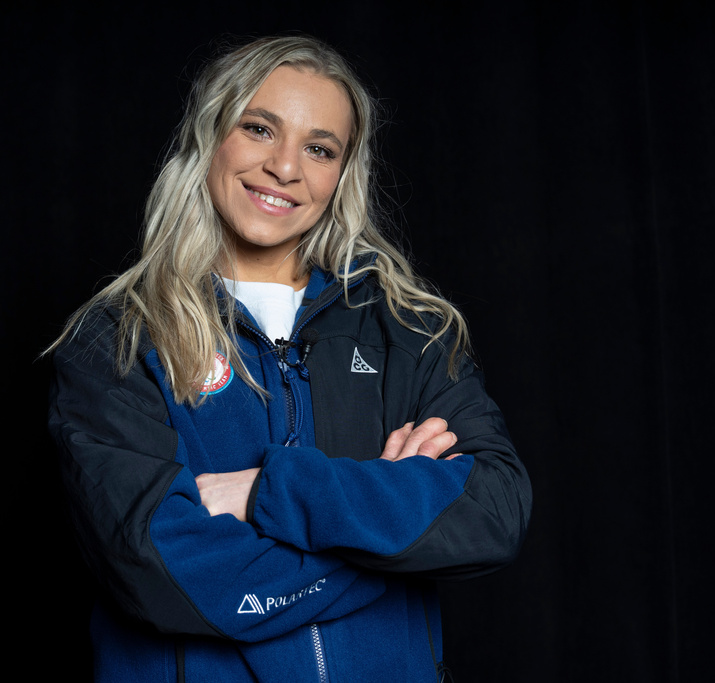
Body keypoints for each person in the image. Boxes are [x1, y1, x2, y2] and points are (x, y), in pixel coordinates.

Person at [47, 35, 531, 682]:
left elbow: (491, 513)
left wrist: (265, 490)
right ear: (211, 137)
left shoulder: (410, 331)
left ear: (341, 175)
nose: (284, 166)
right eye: (258, 129)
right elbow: (156, 569)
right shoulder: (118, 336)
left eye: (319, 148)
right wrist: (382, 528)